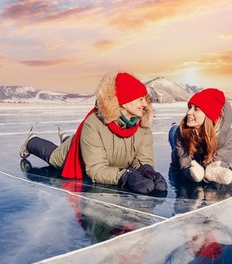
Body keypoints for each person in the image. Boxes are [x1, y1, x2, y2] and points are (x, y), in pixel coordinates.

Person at [20, 72, 167, 195]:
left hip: (92, 147)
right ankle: (32, 141)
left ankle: (65, 138)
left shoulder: (143, 125)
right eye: (140, 99)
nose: (145, 104)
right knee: (54, 157)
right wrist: (125, 176)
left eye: (145, 99)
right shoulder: (94, 124)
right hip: (80, 154)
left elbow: (142, 158)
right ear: (124, 102)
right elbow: (96, 169)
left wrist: (146, 170)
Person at [169, 88, 232, 185]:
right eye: (189, 107)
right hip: (181, 149)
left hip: (202, 153)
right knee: (174, 134)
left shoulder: (227, 136)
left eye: (196, 109)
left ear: (209, 115)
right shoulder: (181, 132)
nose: (188, 112)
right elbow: (184, 159)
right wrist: (191, 172)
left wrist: (214, 170)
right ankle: (173, 126)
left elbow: (221, 159)